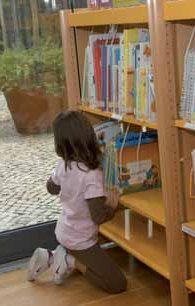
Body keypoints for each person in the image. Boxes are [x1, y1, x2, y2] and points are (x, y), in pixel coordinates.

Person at [27, 111, 127, 294]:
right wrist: (112, 206)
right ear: (88, 136)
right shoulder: (91, 175)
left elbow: (51, 188)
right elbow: (97, 216)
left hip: (65, 230)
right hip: (81, 241)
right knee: (117, 284)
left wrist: (62, 180)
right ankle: (68, 260)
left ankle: (54, 255)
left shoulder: (63, 164)